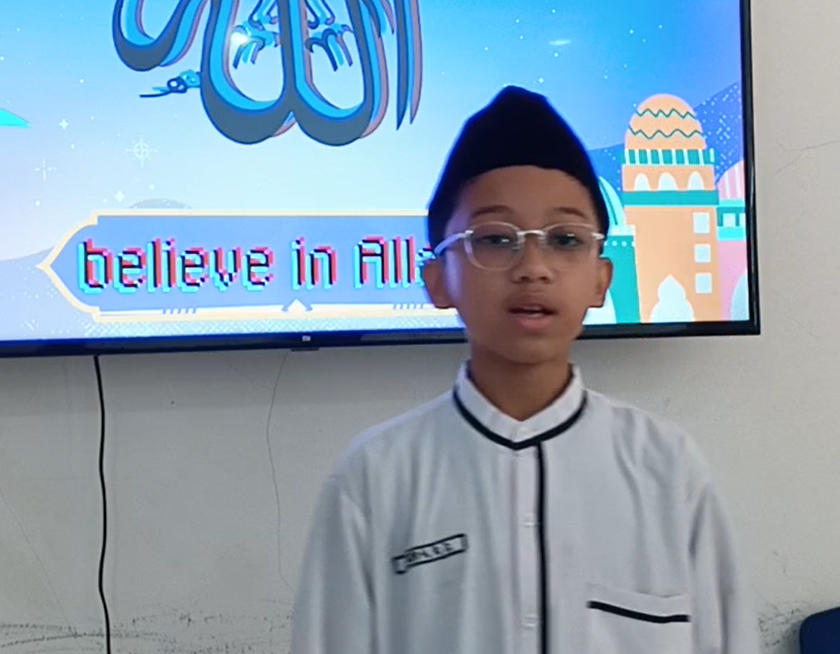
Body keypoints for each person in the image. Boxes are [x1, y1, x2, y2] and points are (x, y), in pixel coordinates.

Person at [290, 86, 759, 654]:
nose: (533, 267)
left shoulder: (667, 470)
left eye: (565, 240)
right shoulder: (375, 478)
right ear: (437, 279)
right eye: (495, 239)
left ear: (601, 279)